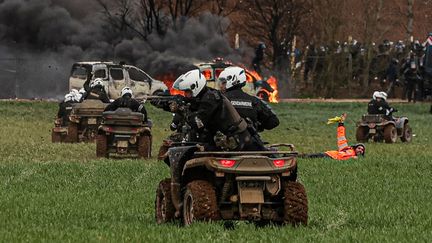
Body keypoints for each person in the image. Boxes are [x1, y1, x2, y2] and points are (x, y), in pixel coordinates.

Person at [172, 69, 264, 151]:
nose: (185, 94)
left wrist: (181, 109)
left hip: (235, 142)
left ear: (195, 87)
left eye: (187, 91)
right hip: (231, 139)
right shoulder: (208, 95)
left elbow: (197, 123)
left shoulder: (210, 99)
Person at [218, 66, 279, 132]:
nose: (221, 86)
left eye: (224, 82)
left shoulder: (219, 100)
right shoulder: (254, 101)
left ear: (234, 80)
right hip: (249, 141)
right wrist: (257, 127)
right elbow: (273, 122)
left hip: (224, 141)